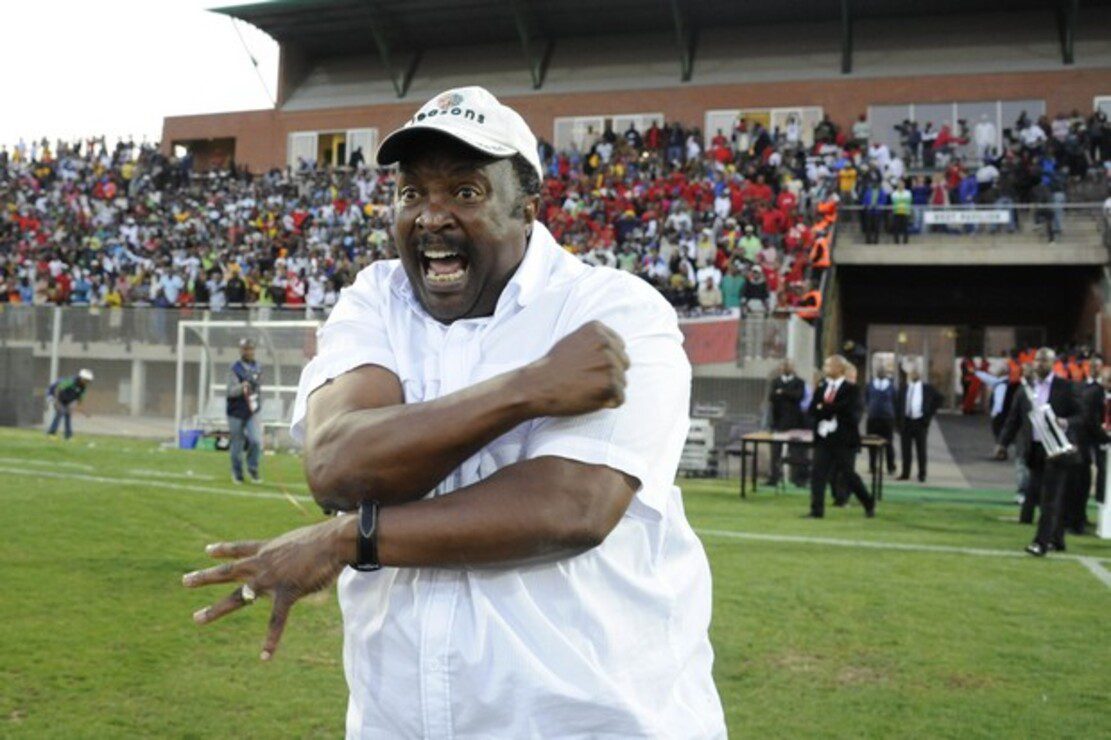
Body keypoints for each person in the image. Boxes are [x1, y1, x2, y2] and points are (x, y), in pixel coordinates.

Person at [182, 86, 726, 738]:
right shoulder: (377, 298)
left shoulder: (613, 310)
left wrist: (348, 537)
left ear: (527, 206)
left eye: (465, 193)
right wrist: (526, 388)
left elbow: (569, 508)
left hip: (590, 722)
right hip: (397, 722)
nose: (431, 217)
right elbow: (339, 466)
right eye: (412, 194)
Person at [995, 348, 1083, 556]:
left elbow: (1081, 415)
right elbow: (1014, 419)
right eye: (1037, 360)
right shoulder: (1026, 390)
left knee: (1049, 498)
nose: (1040, 364)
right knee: (1040, 495)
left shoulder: (1065, 387)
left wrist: (1067, 422)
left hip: (1056, 449)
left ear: (1052, 363)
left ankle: (1040, 543)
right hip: (1034, 450)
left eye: (1044, 361)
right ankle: (1057, 539)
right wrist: (1002, 444)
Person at [805, 355, 876, 518]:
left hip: (844, 440)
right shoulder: (822, 386)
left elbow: (851, 414)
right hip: (824, 439)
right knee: (818, 474)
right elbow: (812, 410)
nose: (825, 368)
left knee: (848, 475)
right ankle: (816, 511)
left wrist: (825, 407)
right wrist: (831, 408)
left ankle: (868, 502)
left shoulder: (852, 390)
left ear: (839, 369)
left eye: (829, 366)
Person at [896, 365, 941, 483]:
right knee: (906, 449)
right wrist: (897, 423)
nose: (914, 375)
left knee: (921, 449)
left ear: (920, 376)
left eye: (916, 373)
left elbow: (939, 399)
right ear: (909, 376)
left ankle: (922, 473)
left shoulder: (927, 388)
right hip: (906, 422)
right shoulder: (904, 388)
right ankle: (905, 473)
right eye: (912, 373)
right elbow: (897, 404)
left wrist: (929, 414)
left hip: (920, 422)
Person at [226, 338, 262, 484]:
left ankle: (252, 469)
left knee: (255, 441)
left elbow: (258, 388)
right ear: (241, 350)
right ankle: (237, 472)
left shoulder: (258, 367)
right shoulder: (234, 368)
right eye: (245, 349)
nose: (249, 351)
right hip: (236, 411)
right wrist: (244, 386)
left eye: (251, 348)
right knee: (237, 444)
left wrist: (257, 402)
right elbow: (231, 391)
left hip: (251, 411)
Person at [767, 359, 807, 487]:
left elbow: (798, 396)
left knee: (796, 452)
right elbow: (772, 397)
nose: (785, 367)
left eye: (788, 365)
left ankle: (798, 479)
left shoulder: (799, 382)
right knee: (775, 452)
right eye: (783, 365)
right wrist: (784, 395)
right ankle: (774, 477)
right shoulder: (775, 382)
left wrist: (783, 392)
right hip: (778, 421)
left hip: (795, 422)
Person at [864, 364, 897, 475]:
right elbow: (867, 398)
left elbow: (895, 400)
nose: (881, 373)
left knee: (888, 443)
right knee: (872, 442)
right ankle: (872, 466)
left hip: (887, 418)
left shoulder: (891, 386)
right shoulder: (870, 385)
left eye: (883, 371)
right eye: (879, 371)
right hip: (873, 417)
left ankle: (890, 467)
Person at [46, 369, 93, 440]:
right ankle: (51, 433)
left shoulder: (83, 388)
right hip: (53, 394)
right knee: (60, 412)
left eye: (88, 381)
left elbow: (80, 401)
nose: (87, 382)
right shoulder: (71, 381)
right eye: (86, 380)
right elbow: (58, 389)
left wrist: (85, 412)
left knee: (68, 414)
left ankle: (68, 436)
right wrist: (57, 402)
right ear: (81, 378)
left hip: (66, 400)